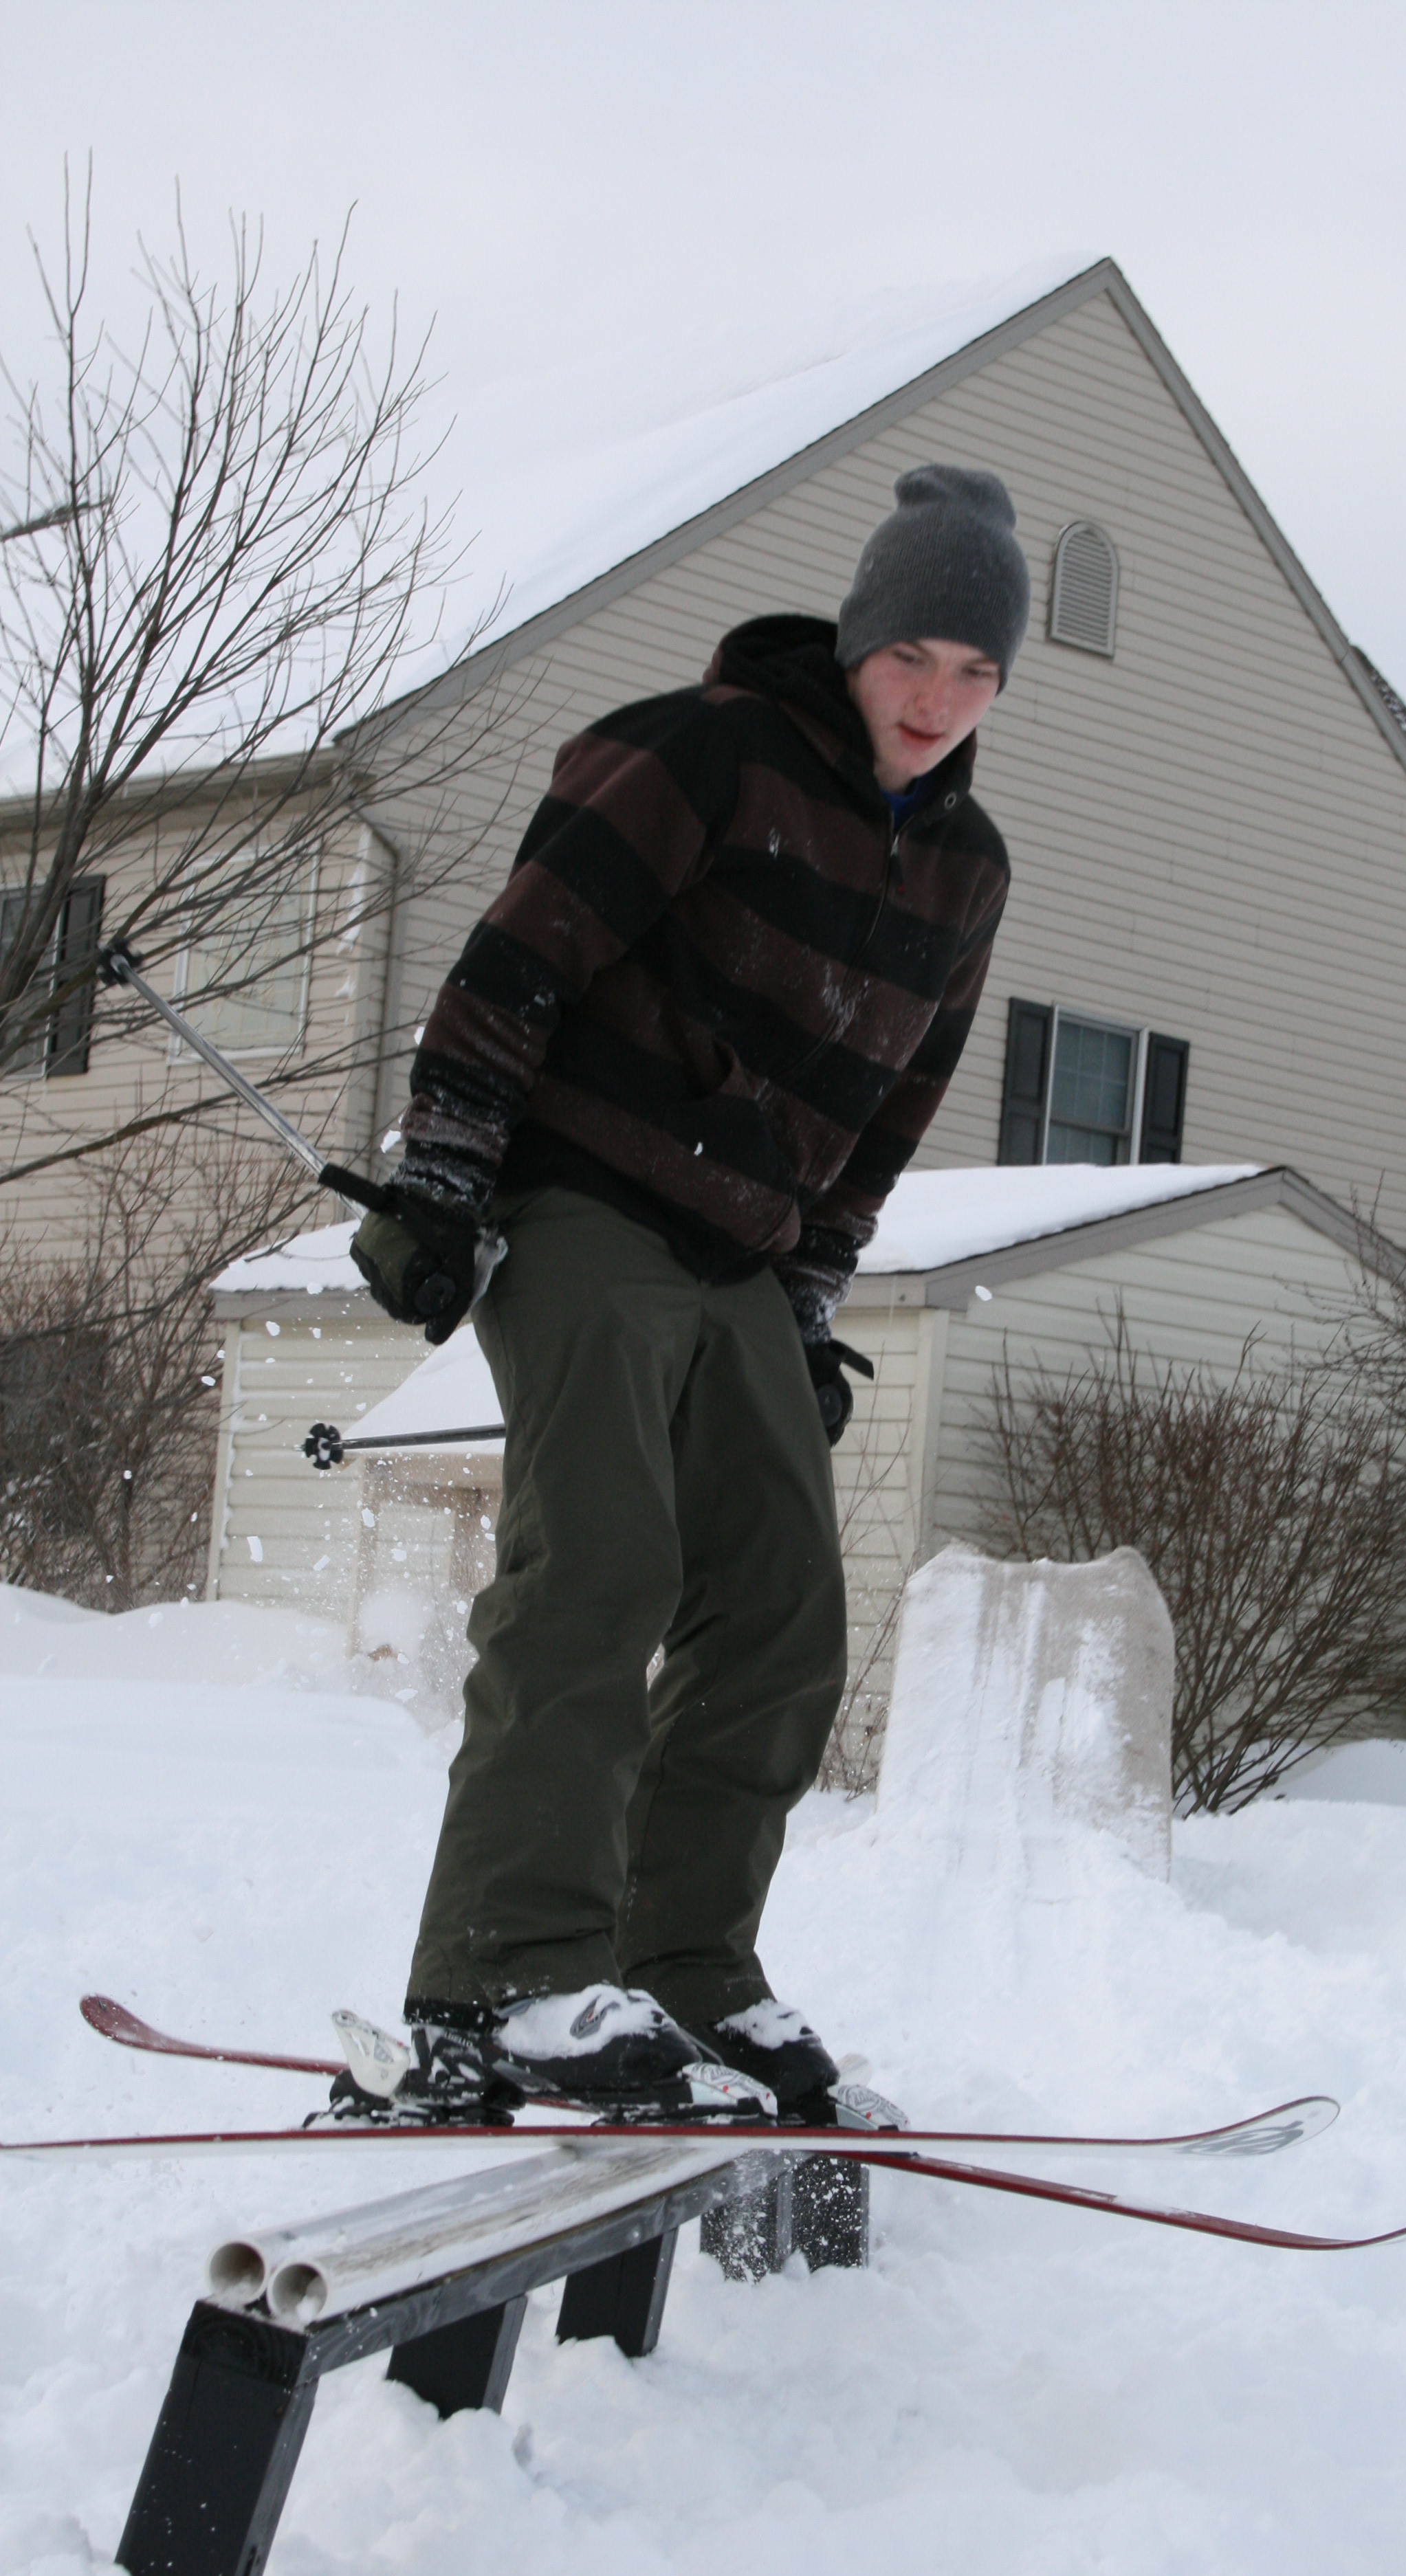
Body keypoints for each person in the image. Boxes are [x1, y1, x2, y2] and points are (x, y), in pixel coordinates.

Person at [340, 465, 1029, 2125]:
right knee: (604, 1557)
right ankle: (505, 1974)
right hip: (586, 1189)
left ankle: (683, 1972)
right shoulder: (707, 752)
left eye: (976, 671)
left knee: (783, 1601)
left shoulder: (967, 868)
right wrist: (446, 1170)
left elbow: (887, 1115)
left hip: (743, 1250)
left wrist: (810, 1302)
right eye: (913, 656)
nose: (936, 699)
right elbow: (520, 955)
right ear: (859, 642)